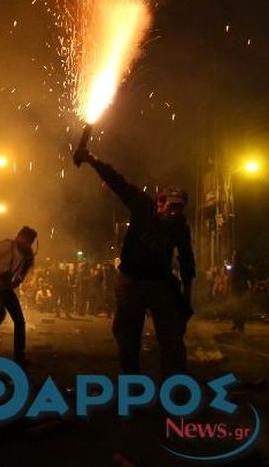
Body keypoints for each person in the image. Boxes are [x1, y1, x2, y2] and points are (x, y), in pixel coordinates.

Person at [74, 148, 195, 376]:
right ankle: (131, 382)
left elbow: (187, 258)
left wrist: (186, 297)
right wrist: (91, 159)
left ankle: (176, 385)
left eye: (180, 207)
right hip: (131, 281)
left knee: (172, 337)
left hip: (160, 282)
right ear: (160, 202)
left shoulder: (180, 226)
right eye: (172, 206)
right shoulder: (141, 205)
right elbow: (116, 181)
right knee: (127, 336)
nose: (174, 212)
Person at [0, 226, 37, 365]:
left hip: (5, 287)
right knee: (0, 315)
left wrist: (13, 285)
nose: (24, 242)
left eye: (28, 241)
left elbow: (20, 276)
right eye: (23, 238)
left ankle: (19, 356)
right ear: (19, 236)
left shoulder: (27, 255)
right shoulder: (7, 246)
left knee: (19, 321)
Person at [229, 252, 250, 333]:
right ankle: (237, 324)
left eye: (234, 258)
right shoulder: (235, 268)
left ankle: (240, 325)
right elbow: (231, 280)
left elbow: (249, 278)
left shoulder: (241, 268)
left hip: (240, 291)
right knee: (235, 308)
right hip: (236, 290)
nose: (233, 260)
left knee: (239, 308)